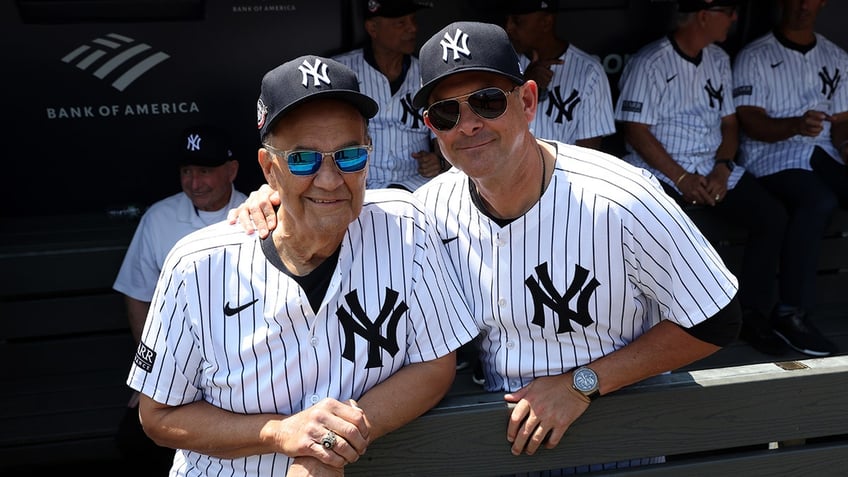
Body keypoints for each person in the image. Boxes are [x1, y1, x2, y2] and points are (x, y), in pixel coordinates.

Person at [232, 22, 742, 471]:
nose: (469, 124)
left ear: (526, 102)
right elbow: (332, 204)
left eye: (487, 102)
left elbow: (718, 320)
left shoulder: (620, 197)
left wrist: (582, 382)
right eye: (446, 114)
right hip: (489, 436)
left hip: (611, 434)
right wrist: (276, 194)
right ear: (430, 127)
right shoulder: (428, 207)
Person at [126, 54, 477, 477]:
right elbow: (159, 415)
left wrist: (326, 442)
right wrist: (278, 432)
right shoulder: (196, 264)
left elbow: (435, 364)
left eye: (349, 155)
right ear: (268, 169)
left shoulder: (405, 228)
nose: (330, 179)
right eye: (302, 160)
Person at [614, 0, 792, 356]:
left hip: (713, 168)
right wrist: (680, 178)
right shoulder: (651, 61)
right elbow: (635, 131)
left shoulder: (718, 59)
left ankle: (754, 316)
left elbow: (729, 123)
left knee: (772, 216)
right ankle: (673, 327)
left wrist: (723, 168)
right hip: (661, 172)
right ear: (704, 15)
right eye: (729, 11)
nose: (735, 18)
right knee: (673, 227)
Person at [113, 123, 247, 474]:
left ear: (231, 170)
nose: (194, 182)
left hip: (239, 363)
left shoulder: (256, 216)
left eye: (205, 171)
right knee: (134, 438)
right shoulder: (159, 217)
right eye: (187, 171)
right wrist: (152, 374)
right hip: (177, 362)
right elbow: (138, 295)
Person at [732, 0, 846, 356]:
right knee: (817, 200)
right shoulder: (755, 55)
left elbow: (841, 121)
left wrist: (846, 145)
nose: (802, 6)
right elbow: (749, 120)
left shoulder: (836, 55)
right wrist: (794, 125)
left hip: (823, 153)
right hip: (770, 157)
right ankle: (790, 312)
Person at [332, 0, 446, 191]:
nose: (412, 28)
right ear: (373, 28)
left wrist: (439, 162)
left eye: (413, 20)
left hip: (417, 187)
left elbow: (444, 140)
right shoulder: (341, 71)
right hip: (361, 189)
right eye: (400, 23)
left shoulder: (427, 73)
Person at [504, 0, 616, 150]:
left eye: (517, 21)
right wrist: (524, 85)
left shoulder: (589, 72)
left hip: (564, 171)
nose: (508, 27)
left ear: (546, 22)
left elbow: (589, 150)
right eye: (508, 19)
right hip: (511, 169)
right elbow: (491, 124)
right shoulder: (502, 63)